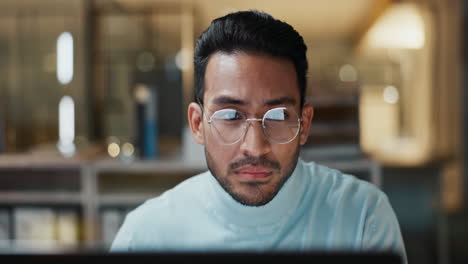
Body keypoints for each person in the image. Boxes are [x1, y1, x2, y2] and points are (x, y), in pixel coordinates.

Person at [111, 10, 407, 262]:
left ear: (304, 125)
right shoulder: (145, 237)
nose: (255, 146)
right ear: (198, 123)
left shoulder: (361, 218)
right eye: (230, 116)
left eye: (277, 116)